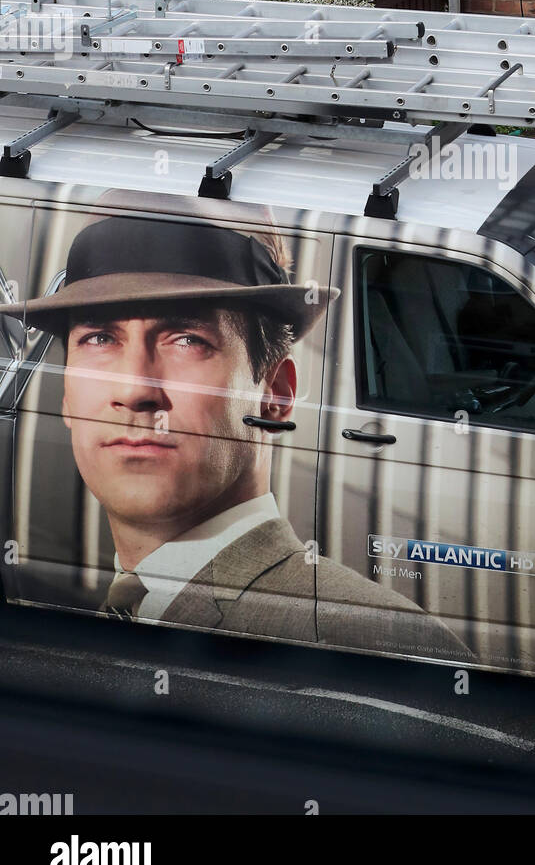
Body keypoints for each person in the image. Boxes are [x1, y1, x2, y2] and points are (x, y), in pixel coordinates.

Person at [0, 194, 468, 661]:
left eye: (187, 340)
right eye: (100, 338)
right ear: (66, 395)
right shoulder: (119, 611)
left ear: (276, 395)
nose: (135, 389)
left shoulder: (368, 639)